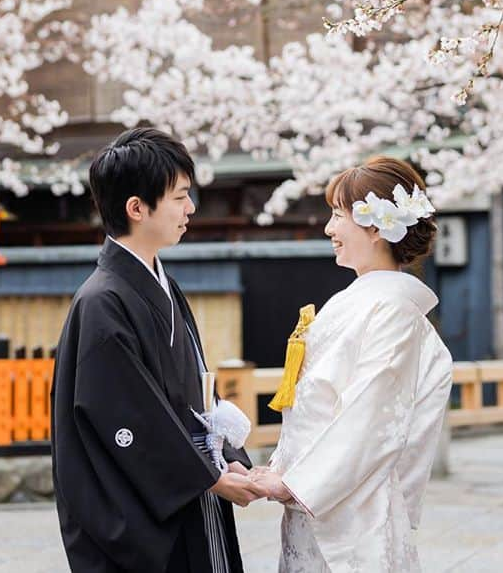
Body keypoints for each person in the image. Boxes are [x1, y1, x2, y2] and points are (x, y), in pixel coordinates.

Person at [51, 127, 262, 572]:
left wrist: (227, 460)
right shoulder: (102, 302)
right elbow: (129, 418)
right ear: (137, 208)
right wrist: (208, 476)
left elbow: (194, 394)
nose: (191, 208)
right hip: (147, 508)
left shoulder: (159, 285)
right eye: (180, 196)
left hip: (189, 491)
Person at [249, 156, 454, 572]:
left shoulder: (393, 309)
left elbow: (370, 419)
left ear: (377, 227)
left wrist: (293, 482)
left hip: (352, 508)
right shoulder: (355, 300)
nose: (329, 228)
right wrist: (283, 468)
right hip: (319, 497)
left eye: (338, 215)